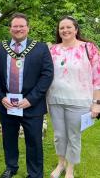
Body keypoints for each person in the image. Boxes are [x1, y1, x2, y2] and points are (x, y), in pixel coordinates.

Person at [0, 13, 54, 178]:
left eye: (21, 26)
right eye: (15, 26)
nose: (18, 29)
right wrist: (1, 97)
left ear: (28, 28)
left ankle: (34, 173)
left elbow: (47, 75)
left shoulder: (40, 48)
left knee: (34, 141)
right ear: (10, 28)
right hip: (7, 104)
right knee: (9, 139)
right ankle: (11, 167)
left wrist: (31, 99)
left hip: (31, 105)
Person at [47, 16, 100, 178]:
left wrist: (97, 102)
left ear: (76, 29)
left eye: (69, 27)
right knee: (59, 135)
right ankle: (60, 164)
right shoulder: (52, 50)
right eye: (62, 28)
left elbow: (97, 77)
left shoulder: (88, 48)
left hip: (79, 101)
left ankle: (70, 169)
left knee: (73, 136)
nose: (65, 30)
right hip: (55, 100)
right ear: (58, 31)